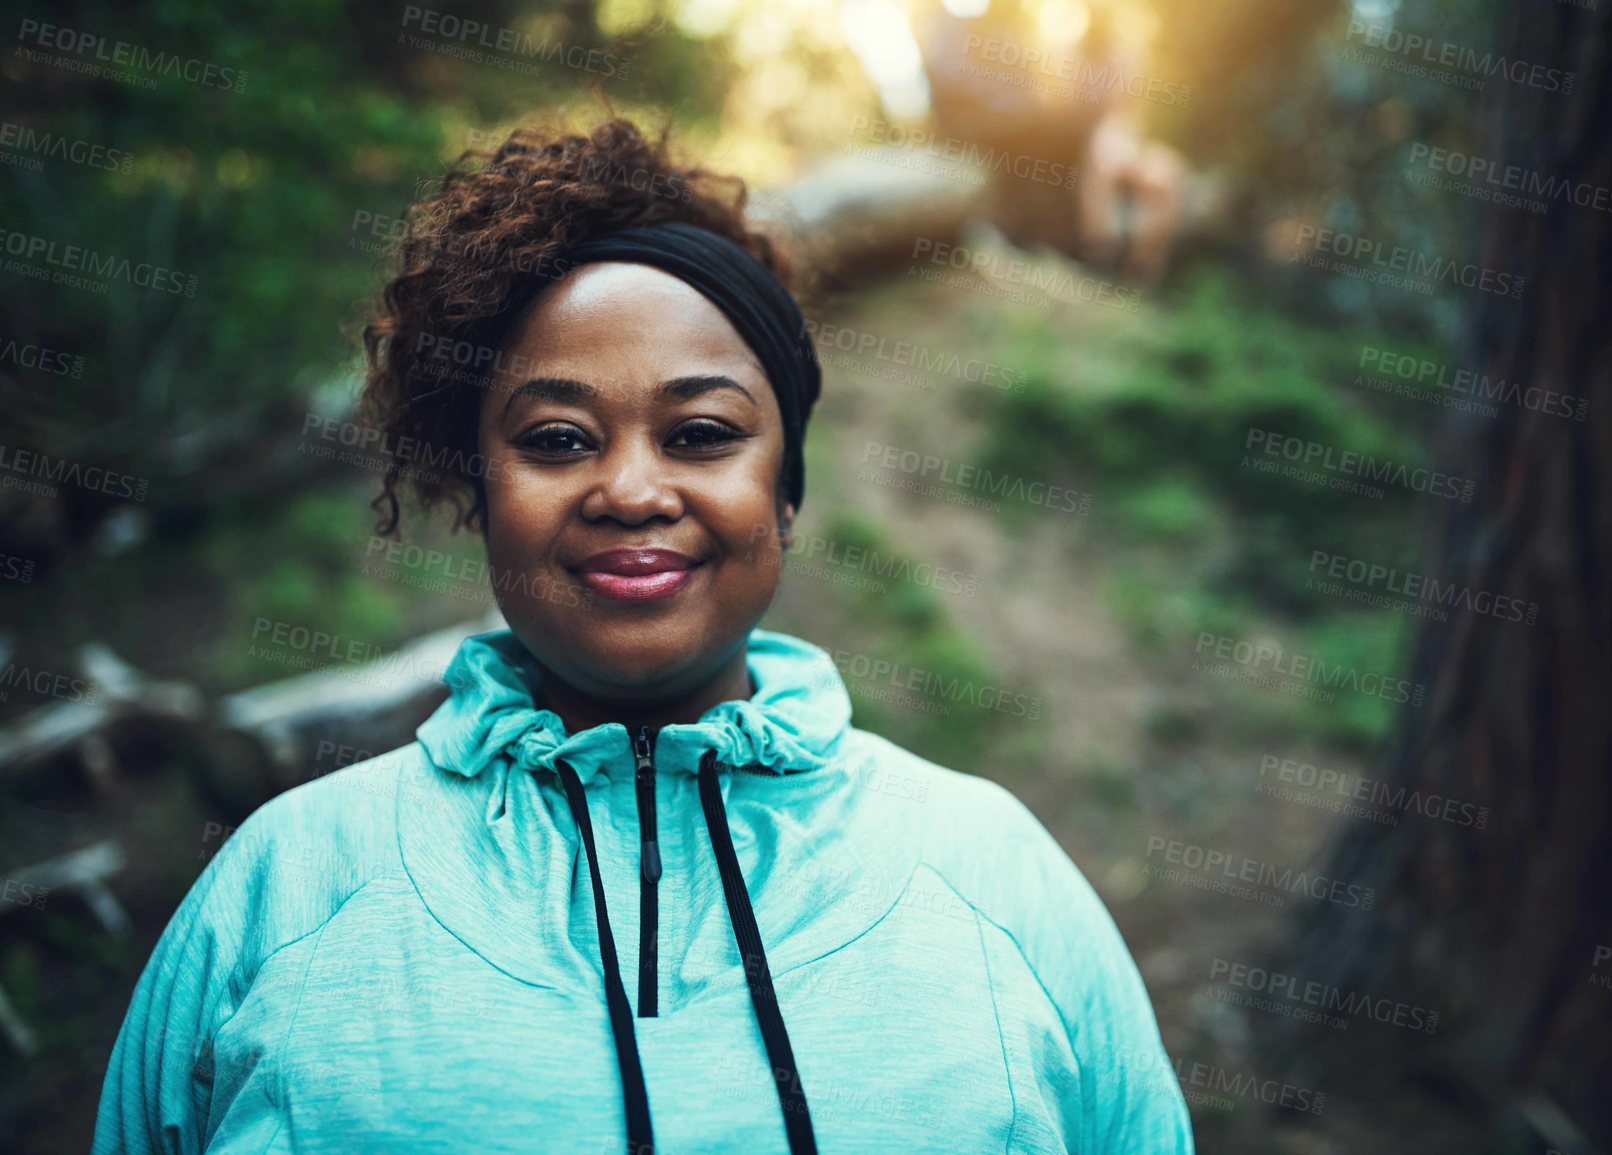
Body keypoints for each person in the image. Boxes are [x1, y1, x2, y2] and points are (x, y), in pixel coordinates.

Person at [90, 115, 1194, 1154]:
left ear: (787, 492)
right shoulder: (287, 891)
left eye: (702, 433)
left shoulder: (991, 876)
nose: (629, 488)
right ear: (479, 489)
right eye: (559, 437)